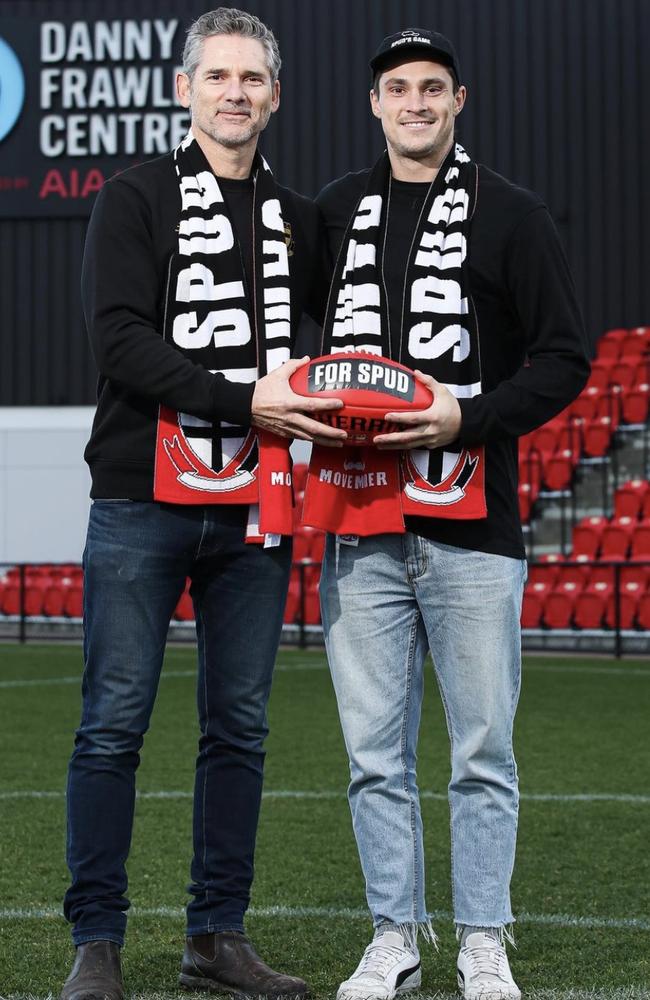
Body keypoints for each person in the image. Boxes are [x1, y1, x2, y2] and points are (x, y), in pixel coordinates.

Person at [59, 9, 344, 1000]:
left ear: (273, 95)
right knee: (112, 722)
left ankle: (215, 937)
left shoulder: (299, 217)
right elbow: (122, 343)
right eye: (215, 75)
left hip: (256, 503)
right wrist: (250, 399)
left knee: (240, 727)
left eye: (250, 78)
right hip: (142, 493)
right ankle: (96, 942)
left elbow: (330, 335)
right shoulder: (133, 197)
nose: (233, 91)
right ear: (183, 90)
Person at [314, 28, 590, 1000]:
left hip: (475, 527)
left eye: (432, 87)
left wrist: (465, 415)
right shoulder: (336, 212)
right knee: (369, 755)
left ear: (458, 100)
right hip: (354, 525)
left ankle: (480, 936)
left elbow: (565, 357)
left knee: (480, 748)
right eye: (398, 87)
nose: (415, 103)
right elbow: (284, 330)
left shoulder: (509, 213)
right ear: (376, 102)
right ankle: (394, 935)